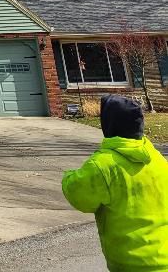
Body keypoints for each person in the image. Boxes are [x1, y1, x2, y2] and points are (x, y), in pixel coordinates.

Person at [62, 94, 168, 271]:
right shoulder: (156, 158)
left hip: (130, 262)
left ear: (109, 125)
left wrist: (68, 176)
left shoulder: (103, 165)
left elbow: (79, 197)